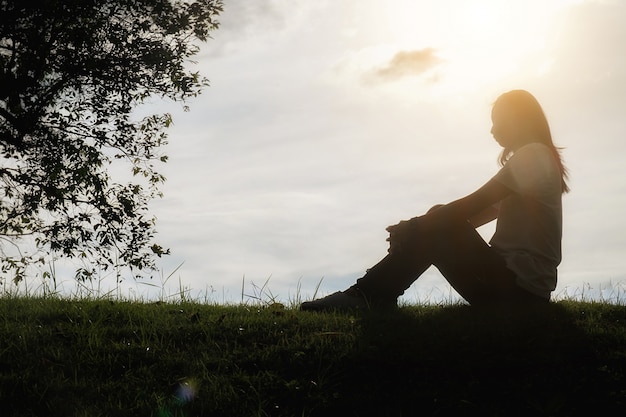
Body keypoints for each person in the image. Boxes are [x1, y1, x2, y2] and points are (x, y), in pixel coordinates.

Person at [301, 90, 569, 312]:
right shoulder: (538, 158)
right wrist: (419, 231)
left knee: (438, 218)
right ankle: (373, 293)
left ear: (519, 119)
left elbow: (473, 204)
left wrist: (415, 226)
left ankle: (367, 295)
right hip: (521, 291)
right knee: (438, 219)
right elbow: (471, 218)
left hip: (516, 290)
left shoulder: (533, 155)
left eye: (498, 120)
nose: (492, 129)